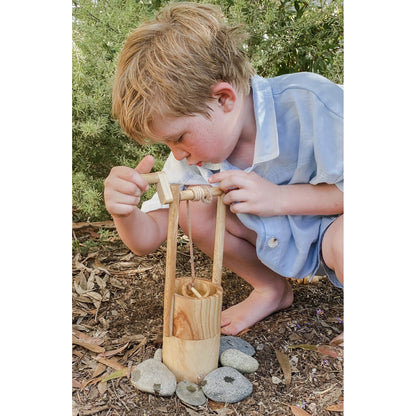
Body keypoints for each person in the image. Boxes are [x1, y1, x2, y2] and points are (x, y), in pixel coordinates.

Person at [104, 2, 343, 336]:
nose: (179, 154)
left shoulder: (312, 103)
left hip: (337, 227)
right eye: (168, 145)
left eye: (180, 138)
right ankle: (270, 289)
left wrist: (277, 199)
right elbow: (148, 238)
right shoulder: (194, 159)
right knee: (191, 207)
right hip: (288, 239)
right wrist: (123, 212)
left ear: (224, 99)